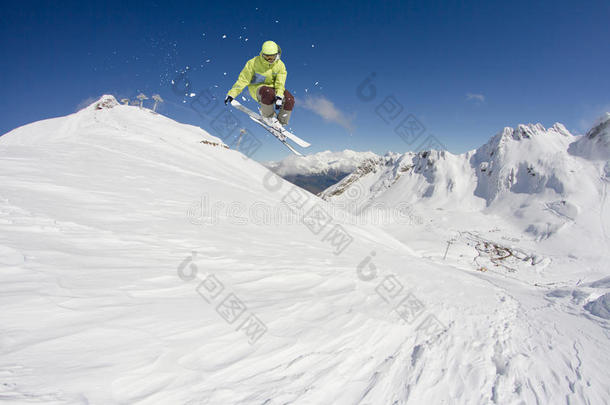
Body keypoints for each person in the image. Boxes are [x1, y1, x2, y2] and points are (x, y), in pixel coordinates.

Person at [224, 40, 295, 126]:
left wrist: (279, 95)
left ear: (277, 55)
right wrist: (232, 94)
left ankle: (280, 124)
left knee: (289, 99)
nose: (270, 60)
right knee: (268, 93)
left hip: (274, 88)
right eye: (267, 57)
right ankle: (269, 117)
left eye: (272, 57)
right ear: (262, 54)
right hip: (258, 89)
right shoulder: (253, 63)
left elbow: (280, 82)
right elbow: (243, 79)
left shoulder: (280, 65)